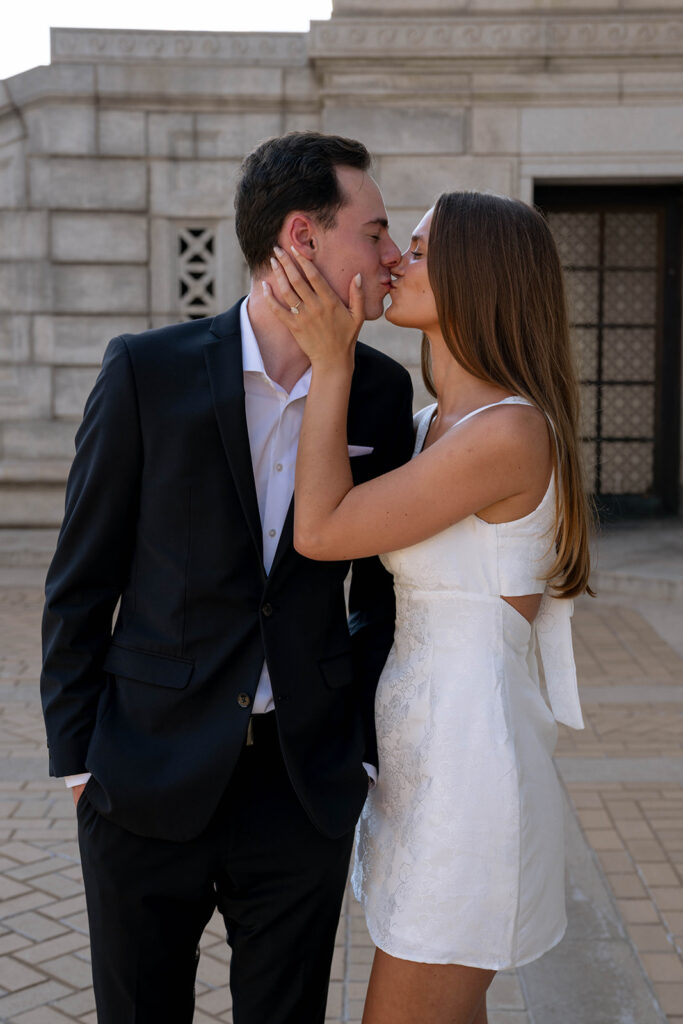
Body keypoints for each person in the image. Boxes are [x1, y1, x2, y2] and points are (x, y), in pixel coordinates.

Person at [40, 132, 415, 1024]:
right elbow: (80, 581)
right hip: (142, 776)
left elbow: (386, 595)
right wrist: (80, 766)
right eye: (374, 231)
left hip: (300, 787)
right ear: (302, 237)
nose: (391, 255)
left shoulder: (379, 393)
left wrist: (353, 747)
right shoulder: (146, 372)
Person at [263, 190, 593, 1024]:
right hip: (423, 757)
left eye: (418, 248)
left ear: (479, 276)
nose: (393, 263)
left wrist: (331, 361)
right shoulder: (429, 425)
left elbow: (322, 529)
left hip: (469, 767)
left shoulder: (506, 433)